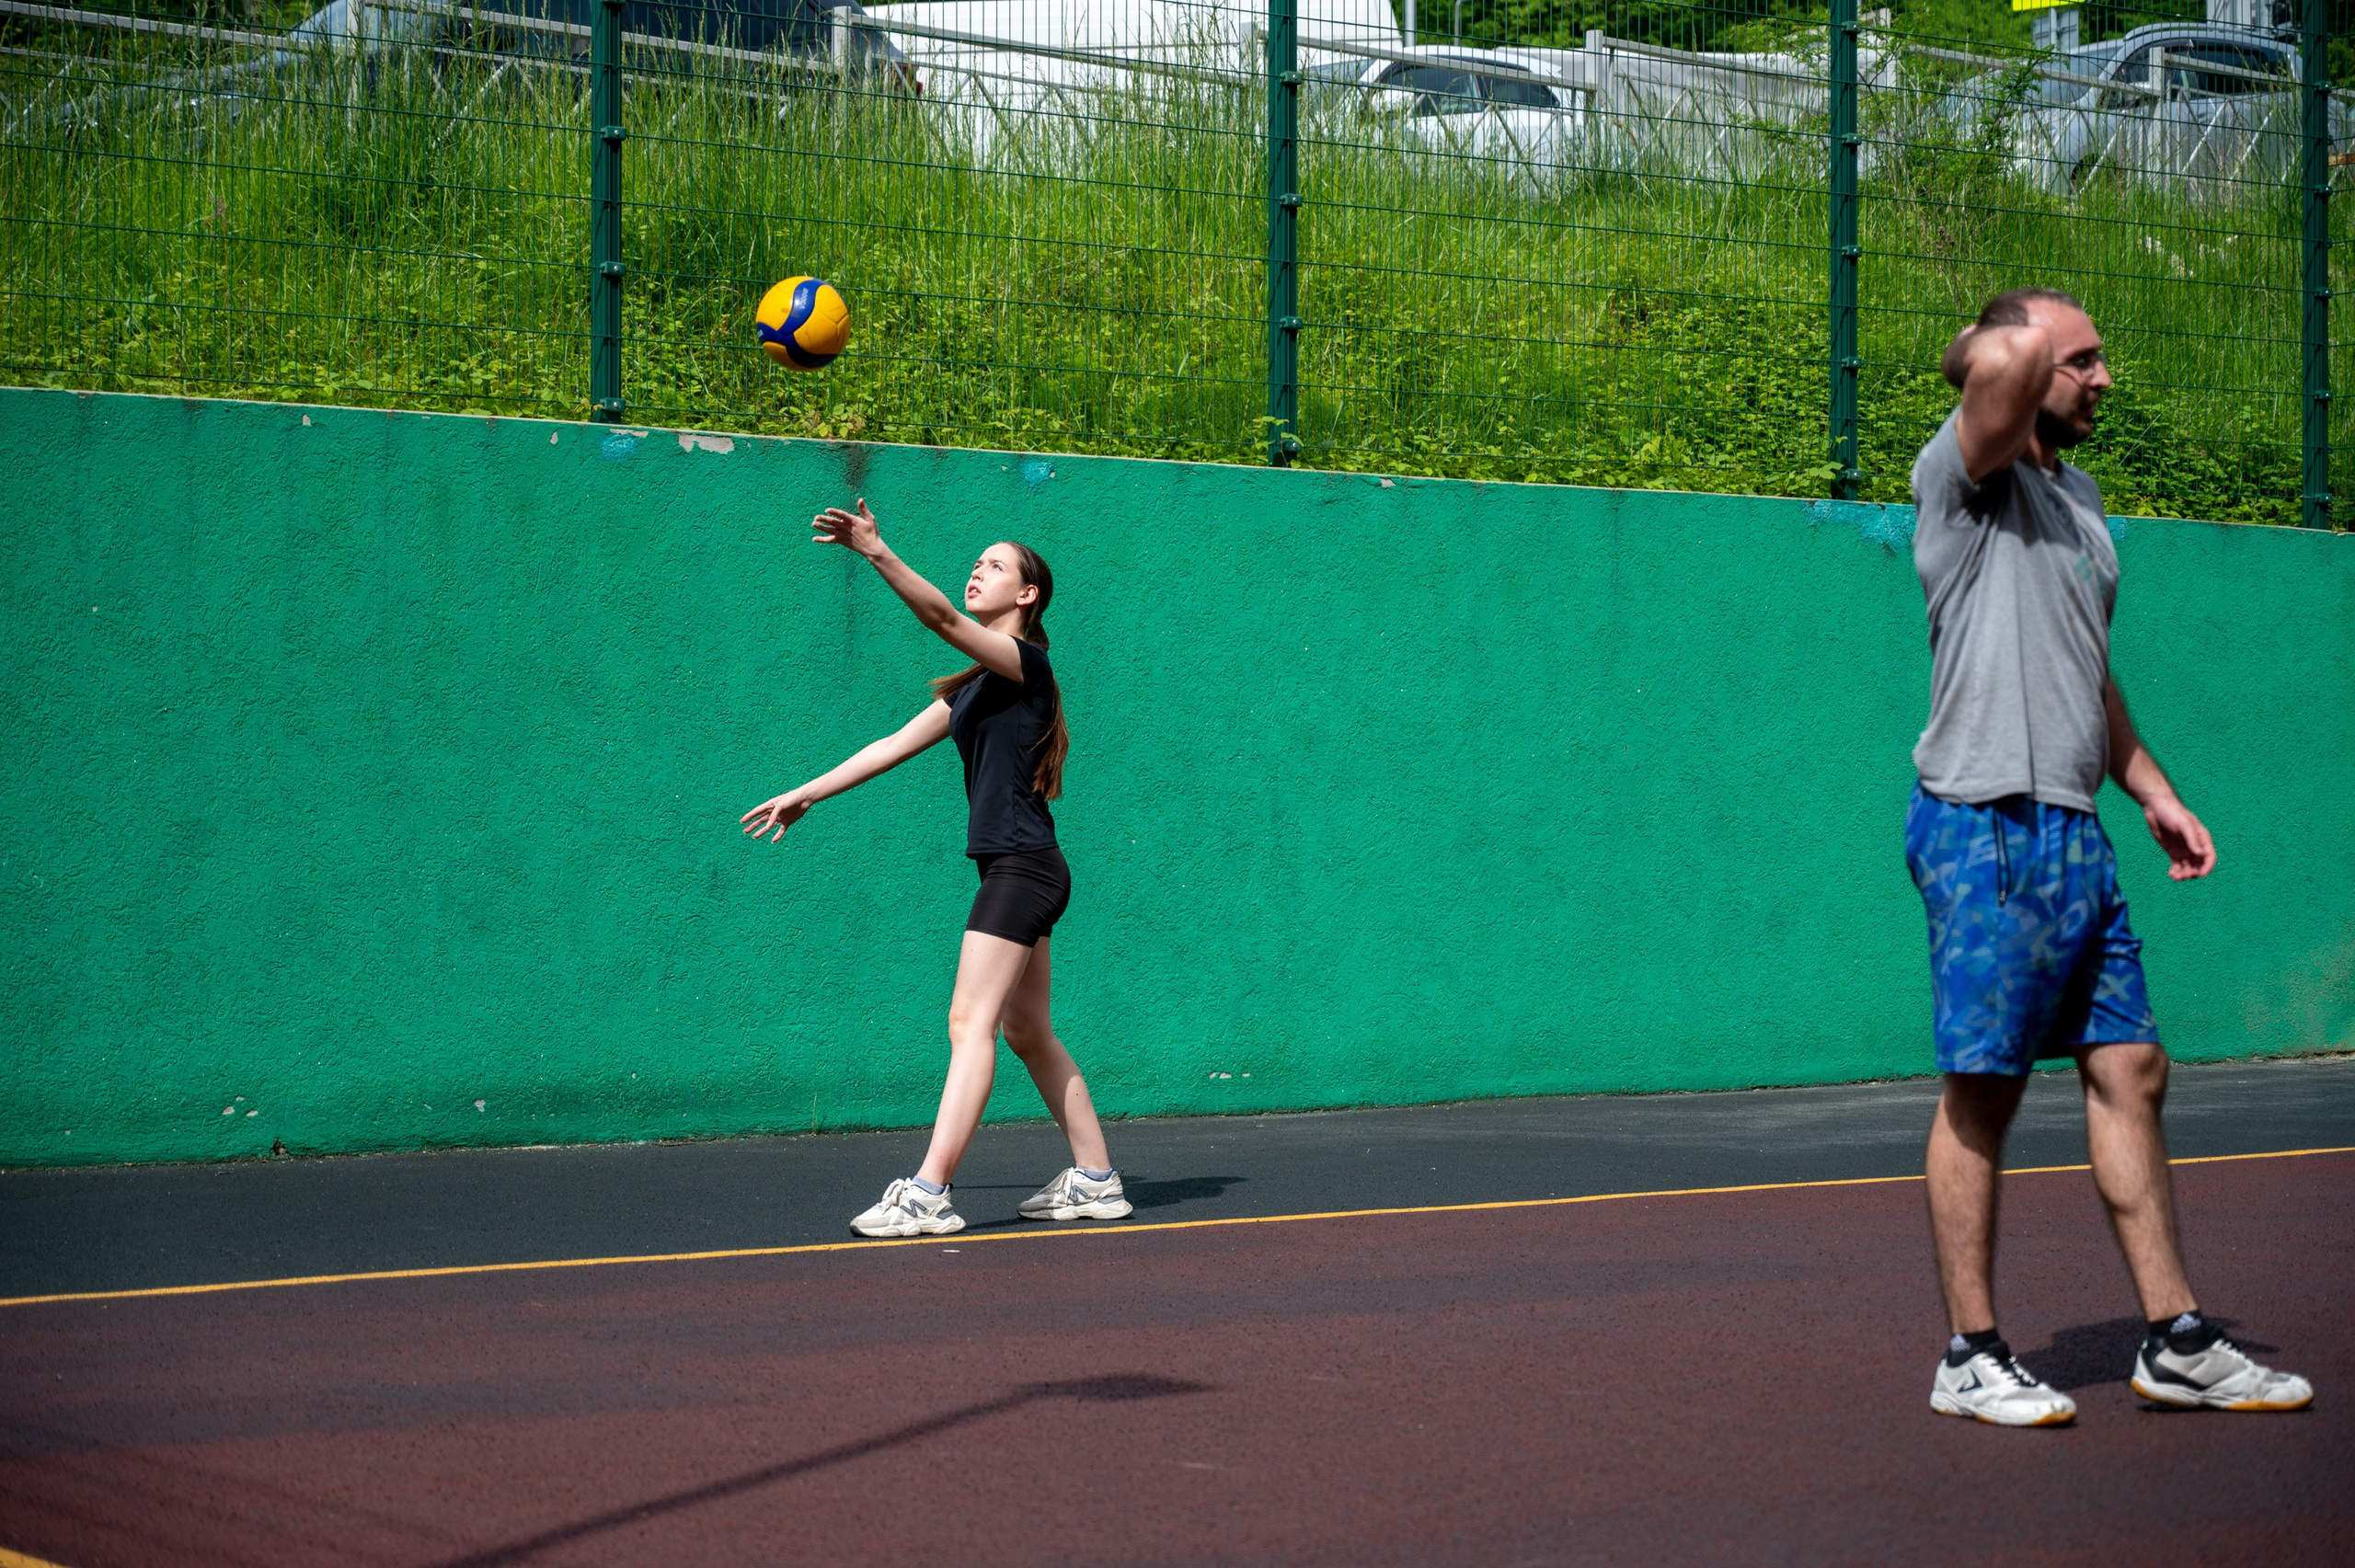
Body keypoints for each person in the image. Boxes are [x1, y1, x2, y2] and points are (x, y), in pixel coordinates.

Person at [1906, 288, 2312, 1426]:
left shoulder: (2079, 503)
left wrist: (2153, 790)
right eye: (2081, 361)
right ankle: (1969, 1351)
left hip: (2074, 833)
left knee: (2130, 1068)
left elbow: (2089, 669)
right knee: (1983, 1087)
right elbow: (2003, 356)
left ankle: (2176, 1339)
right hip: (1981, 823)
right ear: (2023, 368)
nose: (2102, 379)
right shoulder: (1963, 475)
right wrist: (2013, 346)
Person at [741, 500, 1132, 1238]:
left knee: (969, 1022)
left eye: (995, 564)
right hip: (1023, 867)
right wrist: (805, 794)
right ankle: (1097, 1179)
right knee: (1027, 1031)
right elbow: (890, 743)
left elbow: (946, 620)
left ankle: (928, 1192)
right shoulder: (974, 690)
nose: (977, 569)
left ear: (1028, 595)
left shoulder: (1027, 665)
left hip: (1023, 868)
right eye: (976, 561)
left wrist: (877, 553)